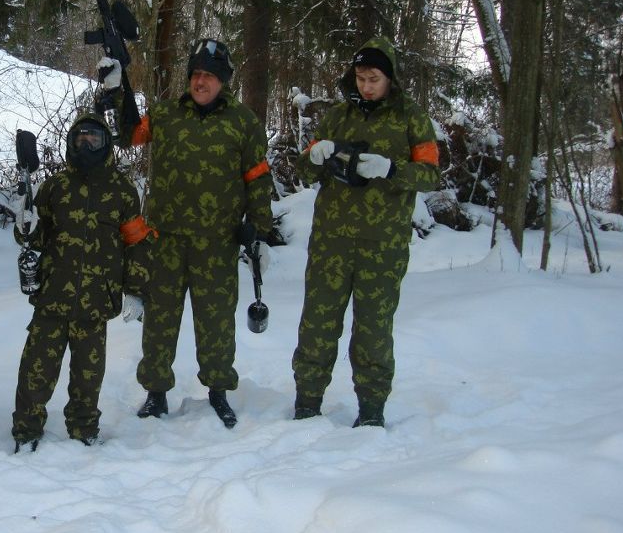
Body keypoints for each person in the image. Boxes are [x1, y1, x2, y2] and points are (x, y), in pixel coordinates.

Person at [100, 39, 273, 429]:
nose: (200, 82)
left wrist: (258, 231)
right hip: (164, 239)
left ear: (223, 81)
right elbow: (129, 135)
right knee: (160, 319)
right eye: (196, 74)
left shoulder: (243, 123)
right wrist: (117, 89)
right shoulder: (165, 116)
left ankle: (218, 390)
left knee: (216, 323)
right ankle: (156, 393)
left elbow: (258, 178)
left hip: (218, 242)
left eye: (209, 75)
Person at [292, 36, 439, 428]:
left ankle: (371, 410)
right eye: (360, 78)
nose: (366, 86)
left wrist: (392, 170)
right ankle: (307, 401)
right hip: (331, 241)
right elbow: (305, 171)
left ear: (389, 78)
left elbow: (430, 175)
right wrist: (314, 156)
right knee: (317, 324)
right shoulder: (338, 116)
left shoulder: (411, 118)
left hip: (383, 245)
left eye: (374, 78)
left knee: (373, 329)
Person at [11, 112, 153, 453]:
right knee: (36, 370)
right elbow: (31, 237)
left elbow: (136, 243)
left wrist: (136, 290)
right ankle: (27, 429)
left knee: (88, 375)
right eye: (80, 139)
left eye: (94, 139)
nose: (86, 145)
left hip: (96, 301)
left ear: (105, 145)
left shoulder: (121, 190)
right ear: (71, 144)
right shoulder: (55, 187)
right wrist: (23, 220)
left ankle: (84, 427)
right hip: (52, 297)